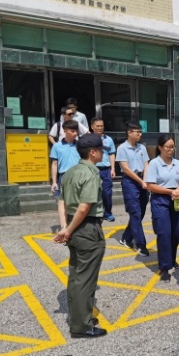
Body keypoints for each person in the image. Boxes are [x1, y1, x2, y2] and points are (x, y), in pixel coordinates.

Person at [53, 134, 107, 338]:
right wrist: (68, 229)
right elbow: (84, 208)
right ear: (92, 152)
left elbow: (61, 202)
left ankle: (79, 317)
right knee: (86, 279)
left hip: (73, 226)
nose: (103, 153)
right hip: (87, 228)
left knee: (76, 275)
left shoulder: (69, 172)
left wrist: (65, 227)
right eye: (101, 150)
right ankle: (82, 325)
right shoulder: (90, 174)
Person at [145, 135, 179, 282]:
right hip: (161, 199)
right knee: (164, 233)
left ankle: (172, 259)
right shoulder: (154, 164)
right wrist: (170, 191)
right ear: (160, 147)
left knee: (177, 232)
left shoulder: (177, 164)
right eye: (168, 147)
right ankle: (164, 267)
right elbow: (150, 185)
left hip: (176, 199)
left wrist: (177, 190)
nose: (171, 149)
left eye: (173, 146)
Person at [116, 121, 150, 256]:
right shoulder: (122, 148)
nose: (140, 134)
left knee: (140, 213)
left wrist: (145, 180)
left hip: (142, 181)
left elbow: (146, 164)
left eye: (140, 132)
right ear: (129, 133)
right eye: (138, 132)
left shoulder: (142, 148)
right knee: (135, 212)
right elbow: (126, 169)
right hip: (130, 182)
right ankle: (141, 244)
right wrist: (141, 181)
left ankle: (126, 237)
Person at [50, 120, 81, 230]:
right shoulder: (57, 146)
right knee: (63, 202)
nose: (75, 133)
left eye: (76, 131)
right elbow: (54, 164)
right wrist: (54, 182)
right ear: (65, 131)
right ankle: (64, 227)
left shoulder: (81, 145)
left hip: (79, 176)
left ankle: (76, 225)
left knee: (79, 201)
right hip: (64, 176)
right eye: (72, 131)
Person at [90, 117, 117, 222]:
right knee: (92, 192)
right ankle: (94, 214)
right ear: (92, 127)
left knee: (107, 193)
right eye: (97, 126)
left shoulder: (108, 139)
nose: (100, 128)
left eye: (101, 126)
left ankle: (108, 213)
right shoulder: (88, 139)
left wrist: (113, 168)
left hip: (106, 170)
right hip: (92, 169)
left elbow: (111, 154)